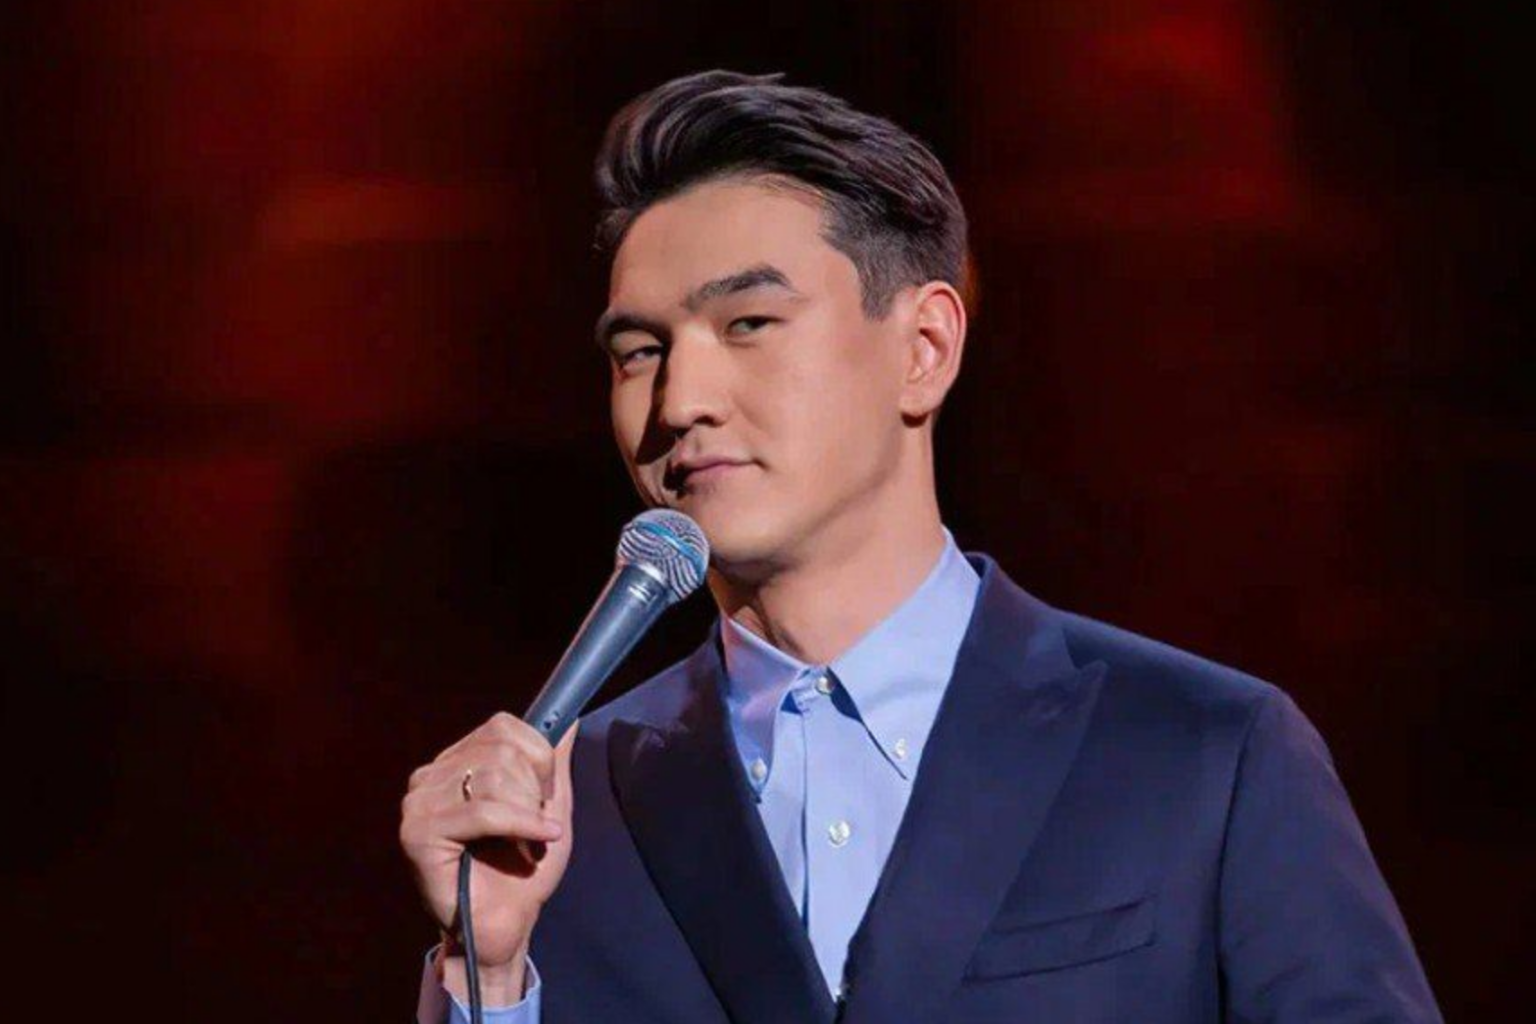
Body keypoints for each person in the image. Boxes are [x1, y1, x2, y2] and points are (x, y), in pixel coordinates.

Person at [401, 70, 1441, 1023]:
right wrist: (489, 977)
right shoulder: (561, 813)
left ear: (925, 347)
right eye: (640, 351)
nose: (681, 401)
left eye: (750, 323)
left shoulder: (1203, 751)